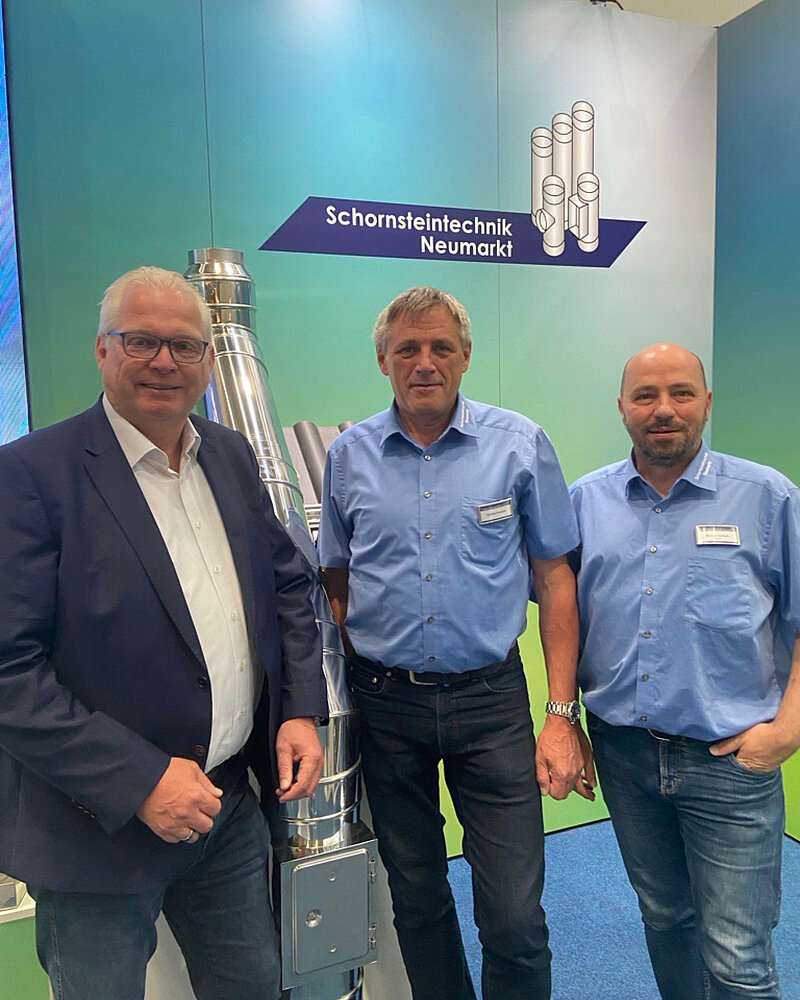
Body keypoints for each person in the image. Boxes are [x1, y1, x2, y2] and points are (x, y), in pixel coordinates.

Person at [0, 266, 328, 1000]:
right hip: (95, 832)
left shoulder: (230, 456)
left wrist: (298, 708)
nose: (164, 363)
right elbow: (9, 673)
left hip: (227, 809)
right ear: (102, 350)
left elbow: (286, 585)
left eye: (184, 346)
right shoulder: (30, 475)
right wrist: (140, 779)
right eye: (141, 341)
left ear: (209, 362)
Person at [317, 286, 593, 1000]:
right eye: (407, 348)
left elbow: (555, 579)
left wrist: (561, 715)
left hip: (490, 700)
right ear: (383, 360)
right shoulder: (348, 456)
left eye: (441, 346)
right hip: (386, 705)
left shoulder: (519, 444)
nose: (425, 362)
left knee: (514, 915)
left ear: (465, 356)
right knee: (416, 898)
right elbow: (336, 579)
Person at [570, 342, 800, 1000]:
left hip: (730, 763)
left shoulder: (767, 498)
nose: (663, 409)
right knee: (666, 919)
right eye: (645, 395)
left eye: (681, 392)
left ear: (707, 402)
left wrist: (787, 731)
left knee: (738, 957)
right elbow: (561, 618)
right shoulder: (584, 503)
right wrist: (564, 720)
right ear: (622, 407)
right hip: (624, 755)